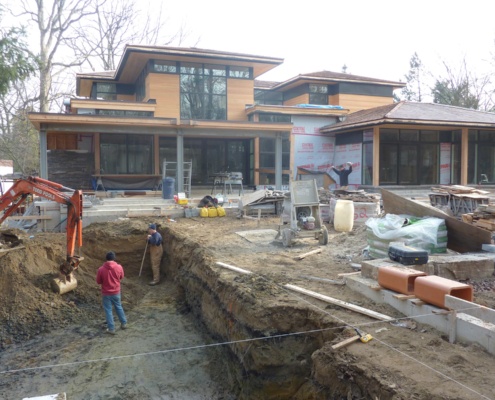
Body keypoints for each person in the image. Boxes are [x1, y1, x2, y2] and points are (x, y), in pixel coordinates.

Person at [96, 251, 127, 335]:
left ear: (106, 259)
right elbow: (121, 277)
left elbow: (98, 281)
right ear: (114, 258)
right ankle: (123, 323)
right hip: (116, 292)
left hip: (106, 293)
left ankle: (111, 329)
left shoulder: (101, 269)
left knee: (108, 310)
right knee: (119, 306)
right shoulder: (119, 267)